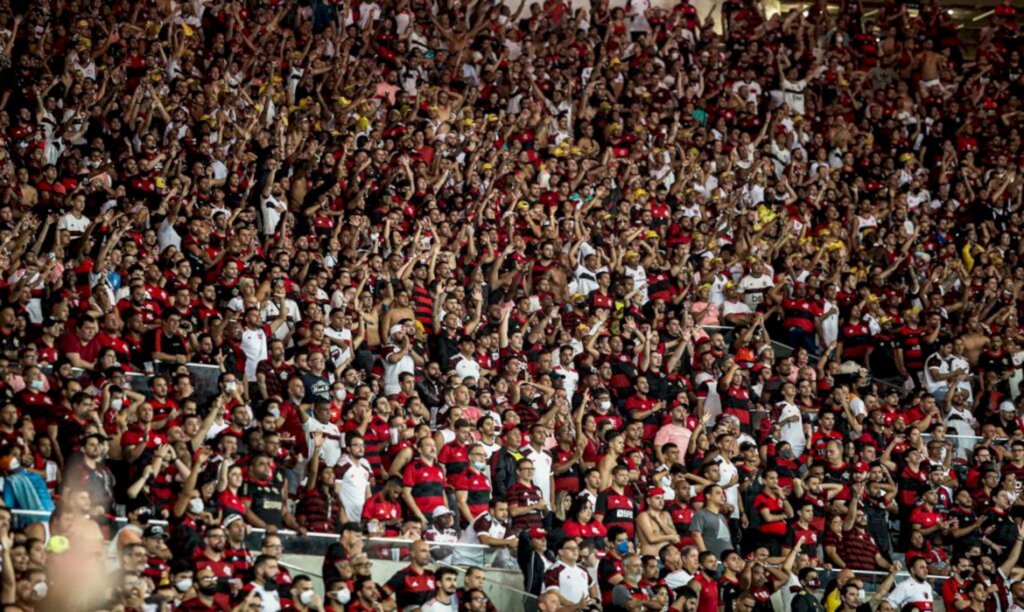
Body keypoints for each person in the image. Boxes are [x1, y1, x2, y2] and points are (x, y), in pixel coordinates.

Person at [384, 539, 436, 610]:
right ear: (413, 553)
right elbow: (380, 595)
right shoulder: (402, 575)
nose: (428, 555)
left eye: (428, 551)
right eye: (423, 551)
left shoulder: (432, 575)